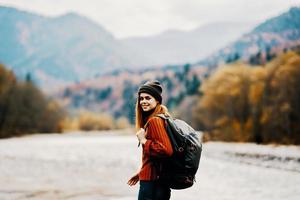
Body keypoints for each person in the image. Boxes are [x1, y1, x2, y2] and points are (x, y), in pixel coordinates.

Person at [127, 80, 173, 200]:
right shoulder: (163, 118)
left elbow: (165, 150)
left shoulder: (155, 121)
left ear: (157, 100)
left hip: (152, 185)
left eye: (148, 98)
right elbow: (155, 158)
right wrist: (141, 173)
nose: (143, 101)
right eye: (141, 98)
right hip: (158, 182)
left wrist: (143, 141)